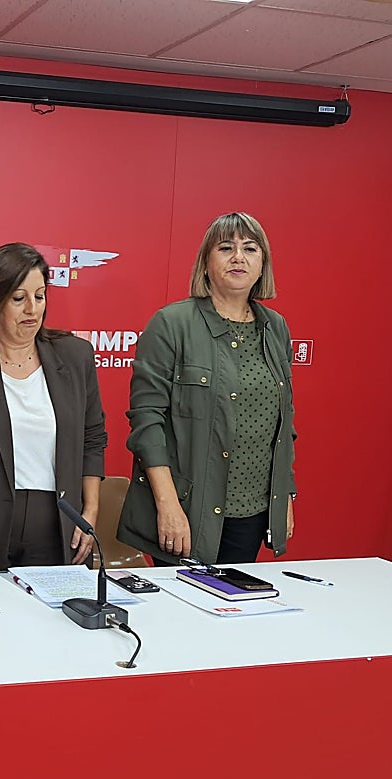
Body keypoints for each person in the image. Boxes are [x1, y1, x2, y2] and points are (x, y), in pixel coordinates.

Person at [117, 212, 296, 566]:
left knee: (234, 613)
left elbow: (282, 422)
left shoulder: (275, 328)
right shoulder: (171, 324)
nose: (238, 258)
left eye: (250, 248)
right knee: (181, 616)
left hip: (253, 510)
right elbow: (147, 422)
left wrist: (284, 494)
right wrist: (167, 505)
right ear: (206, 261)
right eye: (226, 248)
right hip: (187, 510)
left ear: (263, 264)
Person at [0, 243, 107, 575]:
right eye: (18, 298)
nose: (32, 309)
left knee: (48, 623)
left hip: (56, 528)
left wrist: (91, 513)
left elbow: (93, 440)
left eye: (39, 296)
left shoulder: (76, 357)